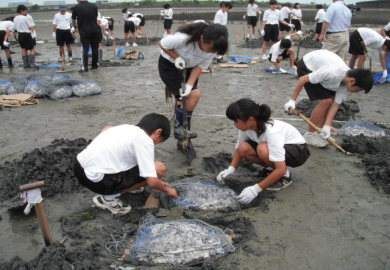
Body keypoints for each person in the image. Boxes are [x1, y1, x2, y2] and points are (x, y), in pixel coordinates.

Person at [74, 113, 178, 215]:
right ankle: (107, 199)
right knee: (159, 169)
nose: (155, 144)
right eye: (158, 141)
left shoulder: (125, 127)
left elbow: (106, 128)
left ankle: (129, 185)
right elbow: (152, 182)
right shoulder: (145, 140)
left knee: (140, 164)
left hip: (79, 169)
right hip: (98, 181)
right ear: (158, 132)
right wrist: (166, 190)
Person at [217, 98, 310, 204]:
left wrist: (255, 189)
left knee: (262, 149)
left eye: (236, 121)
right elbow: (240, 150)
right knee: (244, 148)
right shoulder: (246, 128)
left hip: (298, 151)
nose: (234, 124)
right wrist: (230, 169)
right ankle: (271, 169)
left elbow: (280, 168)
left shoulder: (272, 131)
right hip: (279, 148)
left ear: (250, 120)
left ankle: (286, 177)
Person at [283, 50, 374, 147]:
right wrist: (292, 100)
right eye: (358, 89)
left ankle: (320, 130)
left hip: (325, 70)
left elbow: (335, 105)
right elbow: (303, 79)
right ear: (352, 81)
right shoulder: (332, 72)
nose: (356, 92)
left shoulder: (346, 86)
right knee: (326, 101)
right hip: (308, 65)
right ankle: (309, 135)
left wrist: (327, 125)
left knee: (331, 100)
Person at [158, 22, 228, 140]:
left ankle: (184, 127)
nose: (211, 52)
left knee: (191, 94)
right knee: (185, 96)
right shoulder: (183, 39)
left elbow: (199, 67)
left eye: (215, 50)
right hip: (169, 65)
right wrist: (177, 58)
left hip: (191, 68)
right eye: (211, 48)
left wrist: (190, 85)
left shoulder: (213, 49)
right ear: (202, 38)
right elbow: (162, 43)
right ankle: (180, 127)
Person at [72, 0, 101, 72]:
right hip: (95, 29)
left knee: (85, 49)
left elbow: (73, 20)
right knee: (95, 48)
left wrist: (75, 26)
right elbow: (96, 17)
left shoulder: (76, 7)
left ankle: (84, 68)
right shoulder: (94, 6)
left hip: (84, 31)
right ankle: (94, 65)